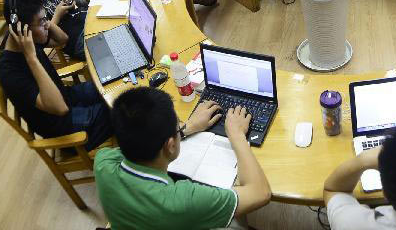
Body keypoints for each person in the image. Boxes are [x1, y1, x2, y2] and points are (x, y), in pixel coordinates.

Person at [95, 87, 271, 230]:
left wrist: (186, 128)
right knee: (238, 214)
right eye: (177, 124)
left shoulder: (103, 162)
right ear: (170, 145)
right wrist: (237, 135)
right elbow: (260, 193)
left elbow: (138, 137)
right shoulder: (184, 201)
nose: (180, 127)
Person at [0, 0, 113, 150]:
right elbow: (60, 109)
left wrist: (45, 21)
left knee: (112, 84)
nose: (47, 25)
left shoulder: (23, 35)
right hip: (64, 129)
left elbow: (62, 40)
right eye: (41, 21)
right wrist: (31, 58)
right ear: (21, 28)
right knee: (123, 106)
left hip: (67, 97)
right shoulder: (9, 72)